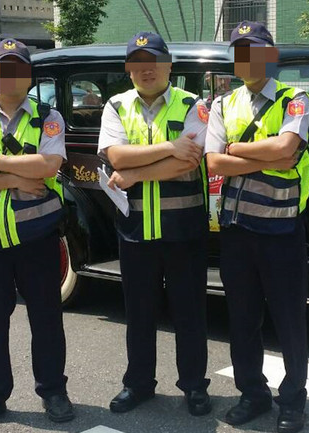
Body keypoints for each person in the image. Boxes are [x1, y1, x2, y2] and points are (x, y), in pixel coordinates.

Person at [0, 38, 74, 431]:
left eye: (18, 67)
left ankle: (53, 391)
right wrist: (18, 177)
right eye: (2, 68)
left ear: (28, 73)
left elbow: (50, 167)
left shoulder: (47, 116)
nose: (11, 75)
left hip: (37, 238)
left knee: (47, 319)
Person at [205, 21, 309, 433]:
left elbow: (288, 150)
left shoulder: (295, 98)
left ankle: (293, 401)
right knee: (243, 317)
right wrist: (257, 155)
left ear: (270, 55)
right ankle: (253, 393)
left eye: (256, 50)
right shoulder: (221, 103)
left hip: (283, 228)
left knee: (289, 319)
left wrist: (235, 149)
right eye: (240, 51)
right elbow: (214, 162)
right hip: (237, 229)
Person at [97, 31, 212, 417]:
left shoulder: (192, 105)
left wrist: (135, 174)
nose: (146, 69)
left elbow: (190, 161)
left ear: (169, 65)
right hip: (135, 231)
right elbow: (116, 155)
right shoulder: (115, 106)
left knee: (190, 312)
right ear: (129, 68)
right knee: (139, 314)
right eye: (137, 62)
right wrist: (168, 147)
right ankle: (139, 384)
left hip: (184, 230)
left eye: (154, 61)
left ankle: (195, 386)